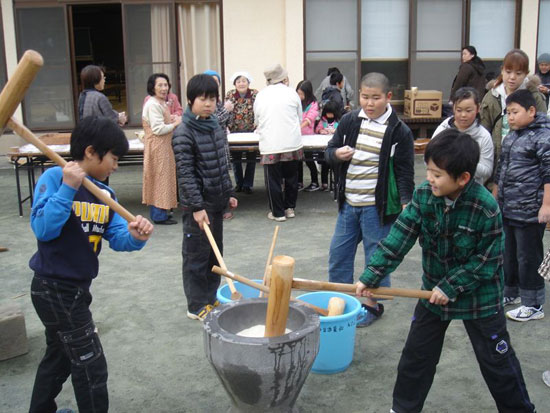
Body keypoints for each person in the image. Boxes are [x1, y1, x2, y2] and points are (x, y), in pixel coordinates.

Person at [355, 130, 536, 413]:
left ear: (463, 178)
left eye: (437, 174)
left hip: (480, 297)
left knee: (497, 361)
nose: (430, 178)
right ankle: (402, 409)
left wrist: (451, 287)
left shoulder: (486, 208)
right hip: (432, 290)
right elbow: (399, 237)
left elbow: (486, 263)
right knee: (416, 357)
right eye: (428, 170)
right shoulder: (424, 196)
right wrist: (371, 275)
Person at [28, 117, 154, 413]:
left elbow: (116, 237)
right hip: (52, 287)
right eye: (113, 157)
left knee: (59, 356)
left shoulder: (104, 195)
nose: (116, 165)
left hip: (76, 290)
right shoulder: (54, 179)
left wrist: (135, 236)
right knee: (90, 364)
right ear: (90, 152)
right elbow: (43, 229)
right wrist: (68, 189)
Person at [325, 72, 414, 326]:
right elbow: (329, 150)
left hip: (378, 208)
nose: (369, 103)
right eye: (365, 97)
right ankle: (340, 302)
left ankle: (372, 304)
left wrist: (407, 201)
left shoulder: (399, 130)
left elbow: (405, 171)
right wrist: (336, 155)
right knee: (339, 254)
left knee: (376, 256)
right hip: (349, 204)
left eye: (375, 98)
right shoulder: (350, 121)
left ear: (388, 97)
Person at [172, 74, 238, 321]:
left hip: (216, 203)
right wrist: (196, 207)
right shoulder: (183, 132)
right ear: (191, 100)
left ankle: (211, 298)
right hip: (197, 208)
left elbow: (223, 163)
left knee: (214, 254)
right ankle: (196, 305)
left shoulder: (215, 128)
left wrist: (228, 193)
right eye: (203, 98)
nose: (209, 103)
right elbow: (185, 174)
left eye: (212, 98)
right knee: (196, 257)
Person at [493, 89, 550, 321]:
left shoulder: (544, 137)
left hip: (530, 209)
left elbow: (549, 174)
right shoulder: (512, 136)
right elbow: (501, 170)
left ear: (532, 111)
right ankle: (511, 292)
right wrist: (496, 198)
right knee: (509, 253)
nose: (511, 117)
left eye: (515, 112)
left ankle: (534, 304)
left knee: (528, 257)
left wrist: (546, 206)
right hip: (509, 208)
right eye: (508, 113)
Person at [480, 49, 547, 179]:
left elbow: (543, 132)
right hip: (495, 162)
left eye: (518, 73)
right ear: (502, 70)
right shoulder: (492, 96)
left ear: (526, 74)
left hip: (526, 168)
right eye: (508, 72)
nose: (512, 77)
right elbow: (484, 131)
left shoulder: (535, 97)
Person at [254, 63, 303, 222]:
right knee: (291, 177)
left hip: (270, 144)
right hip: (292, 141)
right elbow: (299, 118)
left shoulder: (261, 95)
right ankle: (290, 208)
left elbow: (257, 120)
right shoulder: (292, 94)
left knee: (273, 179)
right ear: (284, 78)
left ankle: (278, 212)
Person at [142, 73, 182, 225]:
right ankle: (159, 215)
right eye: (160, 85)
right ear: (152, 87)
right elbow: (158, 129)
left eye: (166, 85)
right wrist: (175, 124)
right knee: (159, 179)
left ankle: (162, 212)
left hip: (163, 146)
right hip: (158, 146)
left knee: (163, 178)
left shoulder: (160, 103)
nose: (164, 88)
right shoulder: (152, 104)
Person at [433, 86, 493, 185]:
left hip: (471, 187)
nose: (463, 115)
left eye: (468, 111)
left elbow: (487, 171)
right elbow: (429, 159)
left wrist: (462, 161)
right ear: (453, 108)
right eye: (459, 110)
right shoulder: (443, 129)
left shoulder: (483, 136)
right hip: (444, 185)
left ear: (478, 108)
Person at [204, 69, 234, 220]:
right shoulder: (203, 101)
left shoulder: (219, 100)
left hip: (222, 143)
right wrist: (226, 111)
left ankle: (225, 206)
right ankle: (216, 209)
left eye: (217, 82)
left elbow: (226, 122)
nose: (214, 84)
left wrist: (229, 113)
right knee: (211, 178)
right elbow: (210, 122)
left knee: (224, 177)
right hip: (208, 146)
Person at [225, 71, 258, 194]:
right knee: (236, 159)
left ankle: (248, 184)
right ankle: (239, 183)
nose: (241, 83)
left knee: (251, 158)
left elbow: (259, 110)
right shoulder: (230, 95)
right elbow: (226, 112)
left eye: (244, 81)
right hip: (235, 132)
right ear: (235, 84)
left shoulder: (255, 94)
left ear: (248, 83)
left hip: (251, 131)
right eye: (238, 81)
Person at [296, 80, 321, 192]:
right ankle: (299, 182)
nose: (299, 96)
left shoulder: (313, 104)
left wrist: (298, 127)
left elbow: (309, 119)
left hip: (308, 137)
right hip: (296, 137)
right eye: (298, 93)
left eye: (301, 93)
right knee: (297, 161)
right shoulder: (295, 102)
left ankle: (315, 182)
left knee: (309, 160)